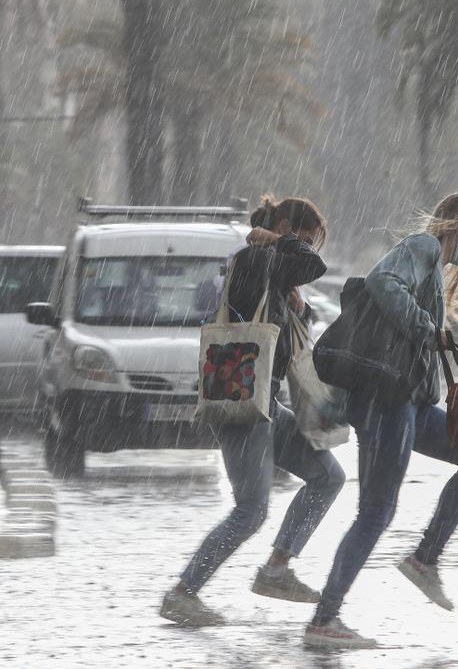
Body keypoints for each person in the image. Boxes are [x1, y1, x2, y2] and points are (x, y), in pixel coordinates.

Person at [303, 191, 458, 649]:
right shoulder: (425, 246)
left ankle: (424, 560)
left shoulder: (433, 265)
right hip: (385, 401)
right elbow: (383, 280)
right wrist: (428, 329)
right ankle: (324, 620)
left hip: (408, 402)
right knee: (376, 512)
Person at [160, 196, 346, 626]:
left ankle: (276, 569)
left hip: (266, 400)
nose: (311, 252)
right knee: (251, 510)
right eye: (307, 239)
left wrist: (301, 303)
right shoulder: (255, 257)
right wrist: (275, 239)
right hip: (241, 399)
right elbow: (310, 267)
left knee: (328, 476)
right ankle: (183, 592)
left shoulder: (271, 266)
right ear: (283, 226)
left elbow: (291, 313)